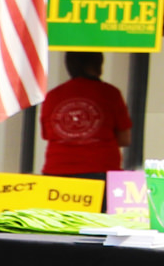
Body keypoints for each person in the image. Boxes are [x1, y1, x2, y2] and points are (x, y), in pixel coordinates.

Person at [36, 52, 132, 180]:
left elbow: (47, 134)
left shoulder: (53, 95)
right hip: (100, 170)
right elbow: (125, 139)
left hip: (57, 171)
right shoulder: (110, 93)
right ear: (98, 64)